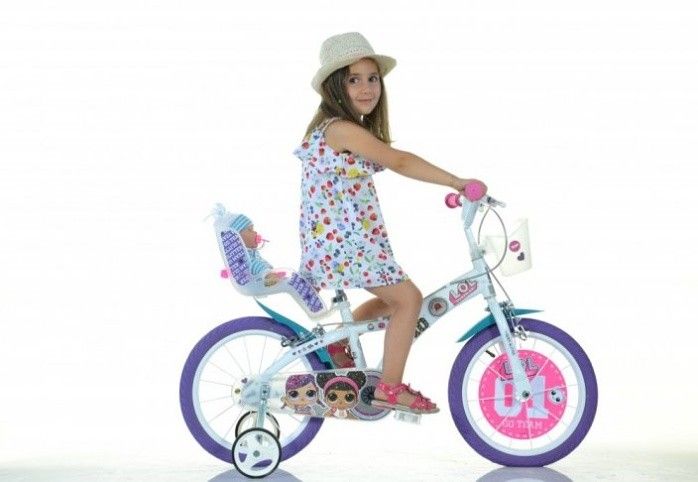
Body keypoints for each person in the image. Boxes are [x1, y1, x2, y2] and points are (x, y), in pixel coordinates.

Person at [293, 32, 487, 414]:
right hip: (344, 243)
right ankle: (390, 388)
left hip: (347, 240)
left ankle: (338, 342)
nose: (367, 88)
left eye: (372, 78)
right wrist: (456, 182)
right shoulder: (340, 129)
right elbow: (399, 161)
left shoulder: (343, 129)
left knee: (391, 301)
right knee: (408, 300)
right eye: (354, 79)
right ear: (335, 86)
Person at [229, 213, 284, 287]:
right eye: (250, 230)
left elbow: (259, 261)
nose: (255, 232)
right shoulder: (241, 256)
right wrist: (268, 274)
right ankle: (269, 276)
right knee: (254, 264)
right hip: (257, 279)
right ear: (237, 237)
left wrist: (271, 270)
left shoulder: (252, 251)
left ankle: (270, 275)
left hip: (263, 275)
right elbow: (253, 265)